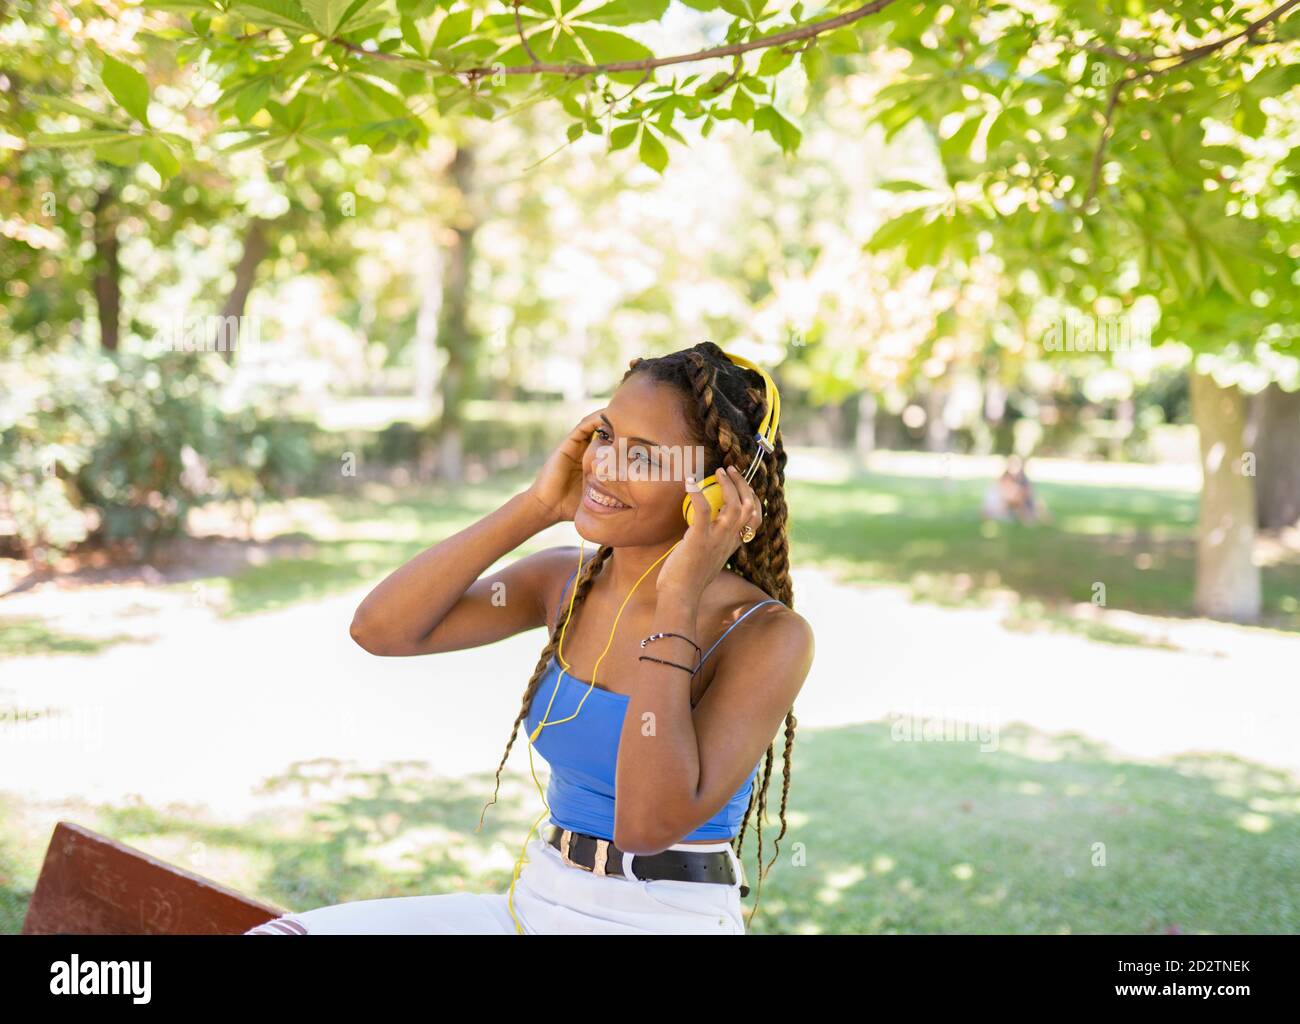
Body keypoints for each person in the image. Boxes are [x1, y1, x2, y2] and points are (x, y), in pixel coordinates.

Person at [243, 341, 815, 935]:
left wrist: (678, 597)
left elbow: (644, 826)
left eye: (644, 457)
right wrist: (537, 506)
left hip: (665, 918)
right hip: (536, 902)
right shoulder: (565, 581)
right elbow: (380, 629)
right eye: (604, 436)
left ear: (720, 490)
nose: (603, 466)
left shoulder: (767, 635)